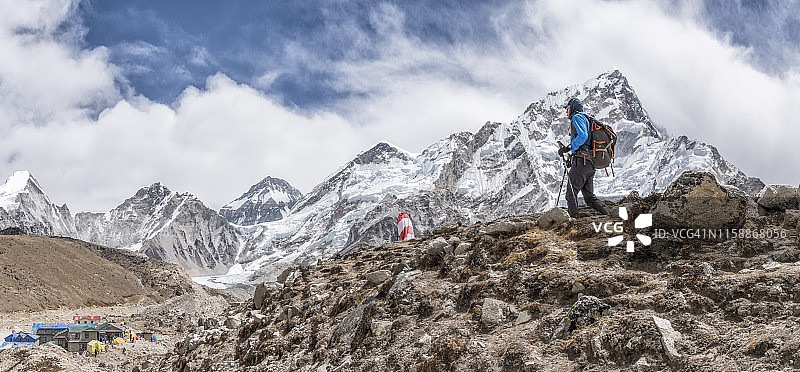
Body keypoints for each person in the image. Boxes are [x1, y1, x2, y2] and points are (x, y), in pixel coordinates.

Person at [559, 98, 612, 218]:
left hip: (581, 162)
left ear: (572, 107)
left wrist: (568, 147)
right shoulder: (587, 119)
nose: (566, 112)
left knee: (571, 194)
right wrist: (571, 160)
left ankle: (573, 223)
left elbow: (583, 136)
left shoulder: (576, 117)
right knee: (589, 197)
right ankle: (610, 214)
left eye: (567, 108)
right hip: (589, 164)